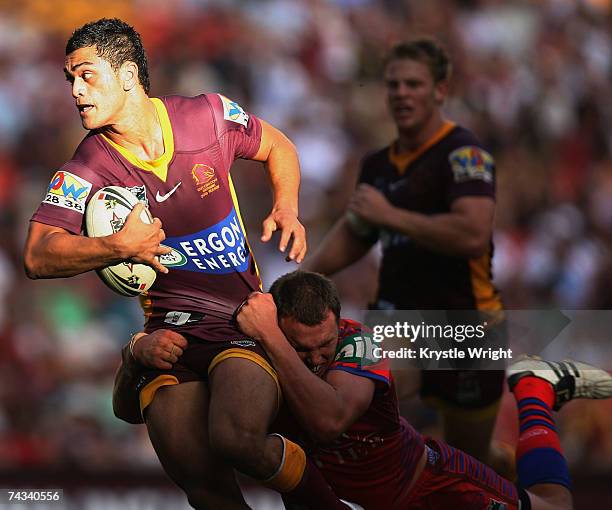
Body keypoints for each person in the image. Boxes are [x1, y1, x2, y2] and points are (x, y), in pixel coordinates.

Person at [22, 18, 353, 510]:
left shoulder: (208, 116)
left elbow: (276, 144)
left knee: (236, 438)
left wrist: (286, 205)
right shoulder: (86, 166)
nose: (75, 90)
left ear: (129, 76)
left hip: (241, 321)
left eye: (86, 75)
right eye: (70, 78)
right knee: (204, 487)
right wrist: (118, 246)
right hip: (168, 338)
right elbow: (36, 254)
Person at [128, 270, 612, 509]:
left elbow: (328, 420)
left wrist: (275, 339)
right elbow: (127, 407)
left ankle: (533, 391)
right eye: (305, 348)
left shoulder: (358, 345)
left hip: (428, 486)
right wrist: (139, 348)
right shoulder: (254, 358)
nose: (319, 357)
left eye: (325, 344)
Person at [303, 38, 506, 467]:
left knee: (473, 467)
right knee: (351, 397)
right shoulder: (377, 165)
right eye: (393, 85)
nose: (401, 94)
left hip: (466, 329)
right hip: (401, 320)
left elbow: (472, 233)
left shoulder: (463, 154)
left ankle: (505, 469)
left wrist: (390, 215)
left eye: (413, 84)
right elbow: (358, 230)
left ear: (440, 90)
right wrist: (303, 275)